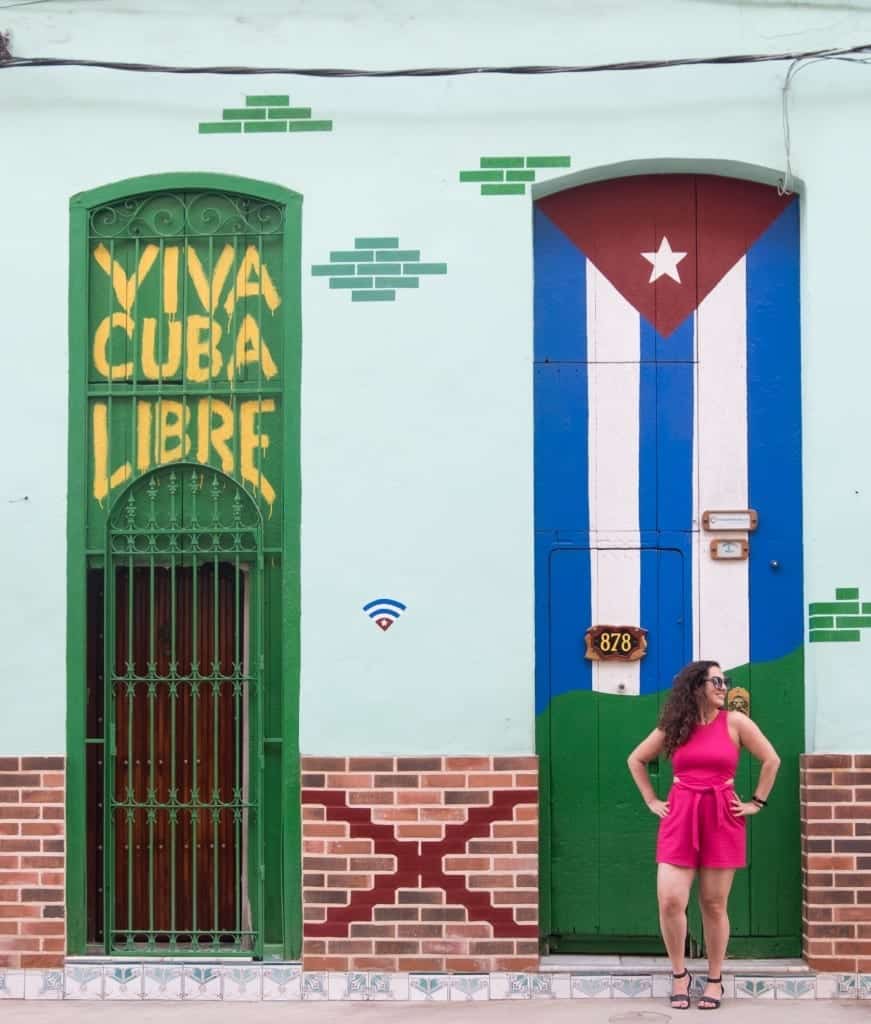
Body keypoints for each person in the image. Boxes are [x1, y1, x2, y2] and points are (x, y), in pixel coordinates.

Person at [626, 660, 780, 1010]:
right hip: (680, 815)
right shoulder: (675, 726)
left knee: (713, 904)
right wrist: (651, 799)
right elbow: (636, 759)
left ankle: (714, 979)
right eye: (715, 681)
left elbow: (771, 760)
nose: (723, 686)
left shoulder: (736, 723)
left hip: (722, 815)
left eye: (725, 681)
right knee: (670, 900)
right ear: (696, 687)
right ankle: (680, 975)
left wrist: (757, 801)